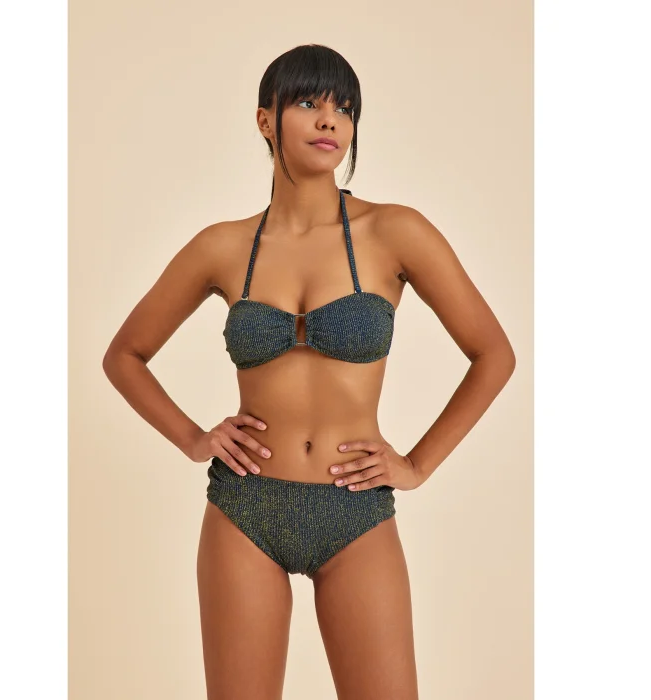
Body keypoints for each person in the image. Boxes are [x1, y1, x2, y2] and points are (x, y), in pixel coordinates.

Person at [102, 43, 516, 700]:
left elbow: (494, 353)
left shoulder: (394, 232)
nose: (329, 120)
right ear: (265, 120)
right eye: (307, 102)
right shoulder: (223, 246)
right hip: (245, 510)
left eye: (344, 108)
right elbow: (124, 355)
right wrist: (193, 438)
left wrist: (417, 464)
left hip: (355, 511)